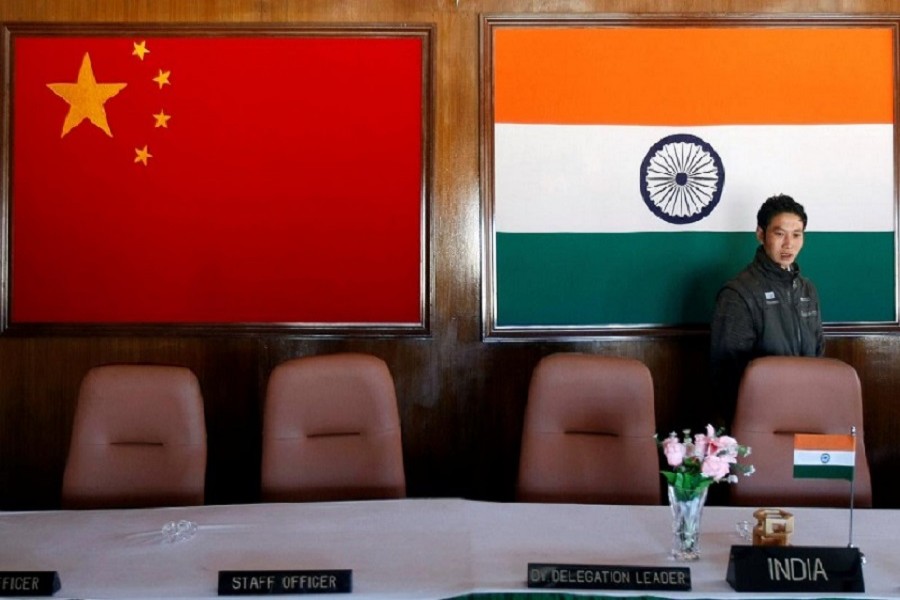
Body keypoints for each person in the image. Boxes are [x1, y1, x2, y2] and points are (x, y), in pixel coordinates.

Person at [709, 194, 824, 427]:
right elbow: (726, 373)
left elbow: (819, 354)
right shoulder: (739, 292)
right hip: (759, 418)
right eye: (779, 234)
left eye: (797, 235)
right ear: (761, 234)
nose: (789, 244)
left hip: (806, 410)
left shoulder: (807, 289)